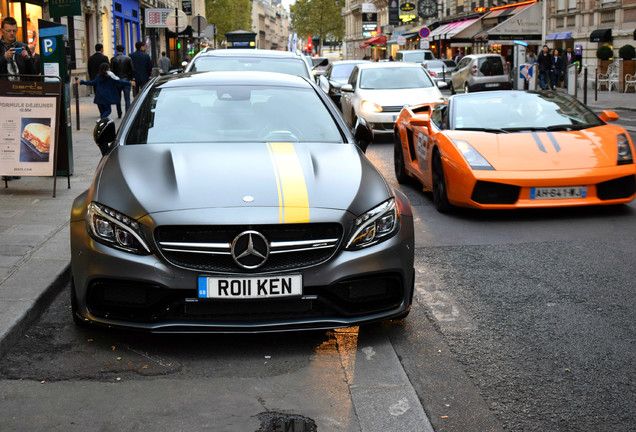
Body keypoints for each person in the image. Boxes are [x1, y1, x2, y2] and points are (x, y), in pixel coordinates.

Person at [0, 16, 35, 81]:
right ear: (2, 30)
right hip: (3, 87)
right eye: (8, 31)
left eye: (14, 31)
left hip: (21, 87)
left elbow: (32, 72)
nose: (12, 33)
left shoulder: (23, 46)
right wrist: (4, 58)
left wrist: (27, 59)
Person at [110, 44, 134, 118]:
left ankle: (119, 113)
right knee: (127, 99)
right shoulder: (128, 58)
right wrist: (129, 77)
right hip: (126, 80)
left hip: (117, 80)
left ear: (116, 50)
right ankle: (127, 114)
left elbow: (112, 71)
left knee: (118, 98)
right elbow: (132, 69)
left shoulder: (113, 59)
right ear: (123, 50)